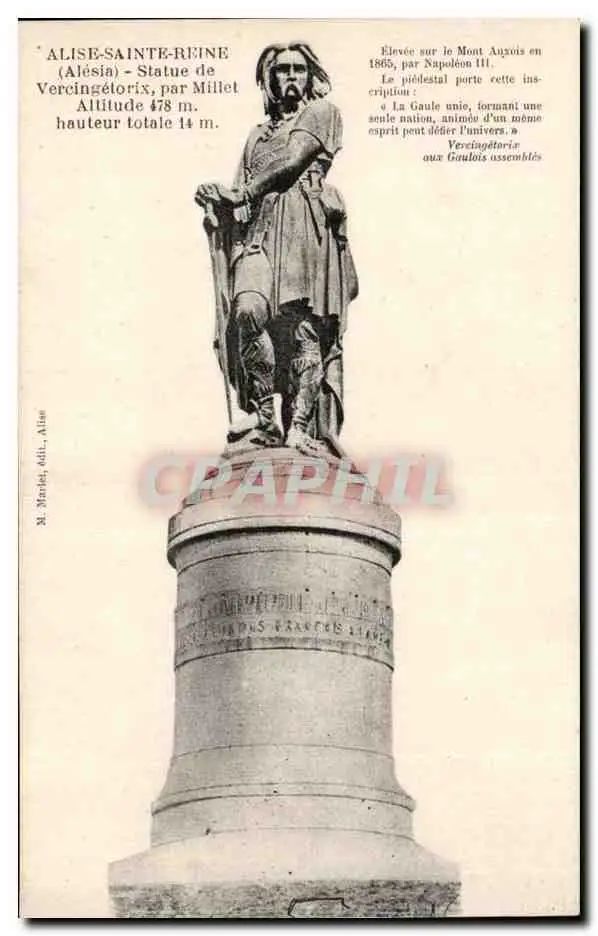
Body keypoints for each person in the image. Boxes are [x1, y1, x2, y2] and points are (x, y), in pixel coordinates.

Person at [195, 42, 358, 456]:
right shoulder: (256, 136)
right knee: (247, 310)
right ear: (270, 80)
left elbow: (292, 161)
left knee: (304, 329)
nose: (290, 77)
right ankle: (267, 419)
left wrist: (240, 193)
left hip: (302, 223)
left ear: (309, 76)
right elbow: (240, 195)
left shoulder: (321, 113)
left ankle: (299, 427)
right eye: (282, 70)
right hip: (259, 231)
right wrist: (218, 202)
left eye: (298, 70)